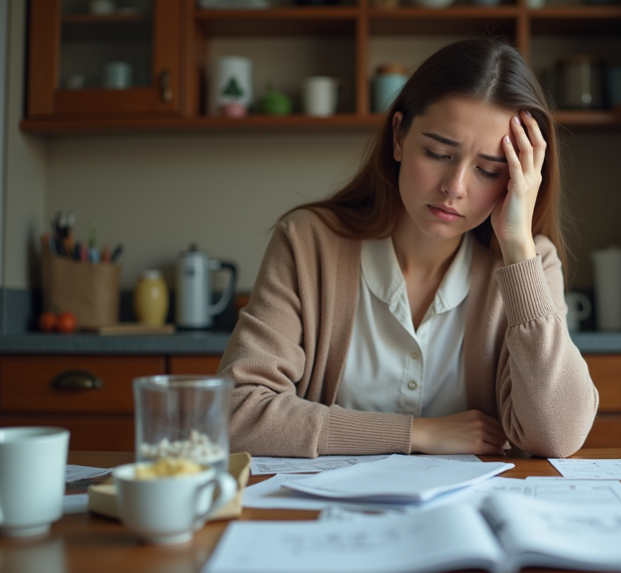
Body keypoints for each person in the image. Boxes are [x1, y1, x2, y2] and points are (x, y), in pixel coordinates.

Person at [218, 37, 599, 459]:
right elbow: (236, 411)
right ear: (398, 136)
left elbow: (557, 436)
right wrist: (417, 433)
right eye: (438, 153)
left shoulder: (531, 260)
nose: (455, 187)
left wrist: (518, 246)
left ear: (518, 178)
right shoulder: (308, 242)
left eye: (489, 170)